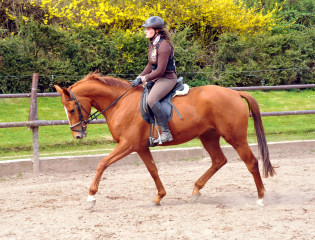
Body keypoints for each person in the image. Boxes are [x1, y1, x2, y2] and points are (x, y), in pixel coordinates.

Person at [132, 16, 177, 145]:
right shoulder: (153, 43)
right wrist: (138, 77)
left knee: (152, 99)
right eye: (145, 29)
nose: (145, 31)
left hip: (167, 78)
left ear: (157, 31)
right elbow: (150, 65)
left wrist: (143, 79)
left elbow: (160, 71)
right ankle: (150, 133)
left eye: (148, 29)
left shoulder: (164, 46)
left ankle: (166, 133)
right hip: (158, 77)